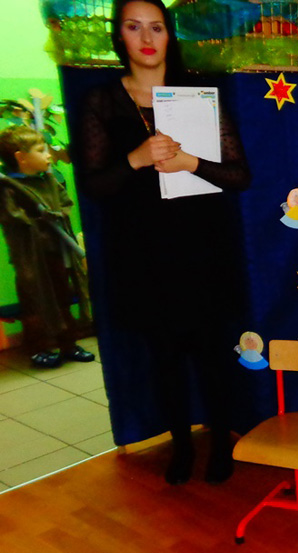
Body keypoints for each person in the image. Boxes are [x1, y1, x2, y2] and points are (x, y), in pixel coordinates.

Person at [77, 0, 250, 484]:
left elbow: (240, 176)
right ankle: (180, 446)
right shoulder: (102, 102)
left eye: (156, 27)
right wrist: (135, 159)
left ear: (170, 35)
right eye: (134, 27)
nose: (147, 38)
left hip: (203, 249)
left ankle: (220, 445)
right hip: (144, 256)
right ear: (120, 36)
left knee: (213, 356)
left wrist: (190, 162)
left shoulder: (200, 96)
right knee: (165, 359)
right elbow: (93, 186)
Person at [0, 125, 94, 368]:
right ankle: (38, 348)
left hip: (56, 253)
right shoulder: (8, 187)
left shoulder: (48, 180)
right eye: (41, 150)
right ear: (21, 158)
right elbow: (13, 218)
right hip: (31, 259)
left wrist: (57, 214)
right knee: (35, 303)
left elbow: (64, 202)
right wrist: (40, 218)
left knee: (63, 299)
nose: (48, 155)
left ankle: (68, 343)